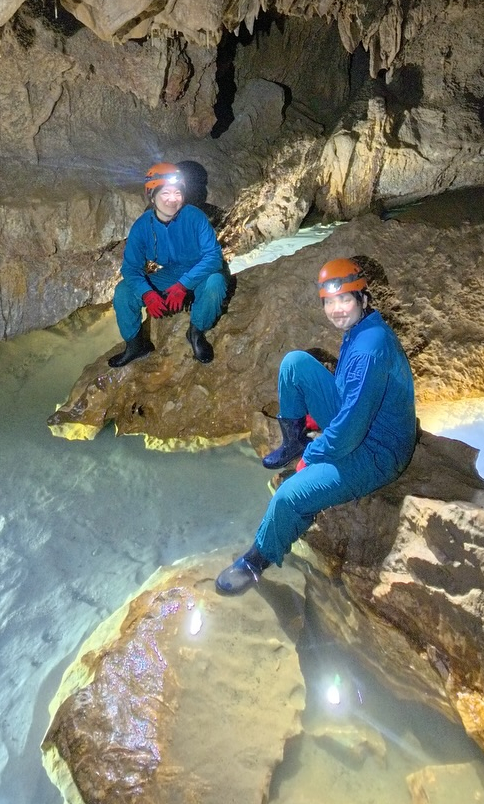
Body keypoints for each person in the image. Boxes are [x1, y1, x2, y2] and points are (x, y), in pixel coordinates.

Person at [215, 256, 416, 594]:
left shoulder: (370, 348)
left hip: (377, 451)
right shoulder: (363, 327)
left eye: (345, 299)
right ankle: (293, 440)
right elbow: (349, 397)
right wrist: (312, 429)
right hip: (360, 423)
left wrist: (316, 454)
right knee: (295, 364)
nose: (337, 309)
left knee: (289, 496)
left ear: (362, 299)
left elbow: (348, 434)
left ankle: (256, 560)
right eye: (330, 302)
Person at [109, 162, 228, 367]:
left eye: (177, 193)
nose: (172, 200)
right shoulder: (142, 227)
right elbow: (130, 268)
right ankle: (136, 345)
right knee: (123, 292)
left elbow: (213, 257)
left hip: (203, 270)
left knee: (215, 284)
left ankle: (196, 333)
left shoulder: (195, 217)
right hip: (172, 273)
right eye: (165, 193)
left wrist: (183, 286)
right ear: (152, 196)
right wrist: (148, 293)